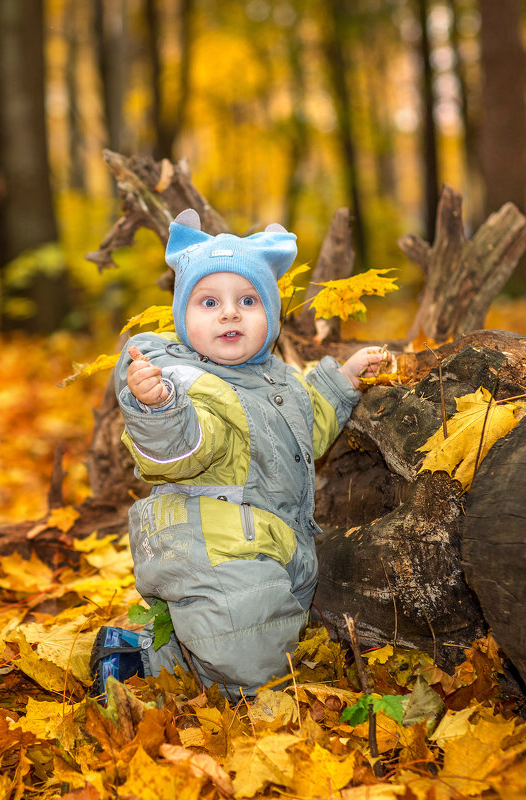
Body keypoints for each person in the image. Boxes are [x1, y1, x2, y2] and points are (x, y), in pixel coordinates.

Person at [90, 208, 388, 701]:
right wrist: (161, 408)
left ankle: (138, 657)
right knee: (248, 650)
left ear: (270, 316)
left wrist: (342, 380)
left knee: (262, 626)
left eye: (247, 300)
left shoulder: (280, 380)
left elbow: (308, 427)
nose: (229, 313)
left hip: (260, 540)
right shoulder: (185, 381)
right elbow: (183, 448)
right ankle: (245, 703)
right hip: (208, 543)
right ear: (183, 318)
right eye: (209, 302)